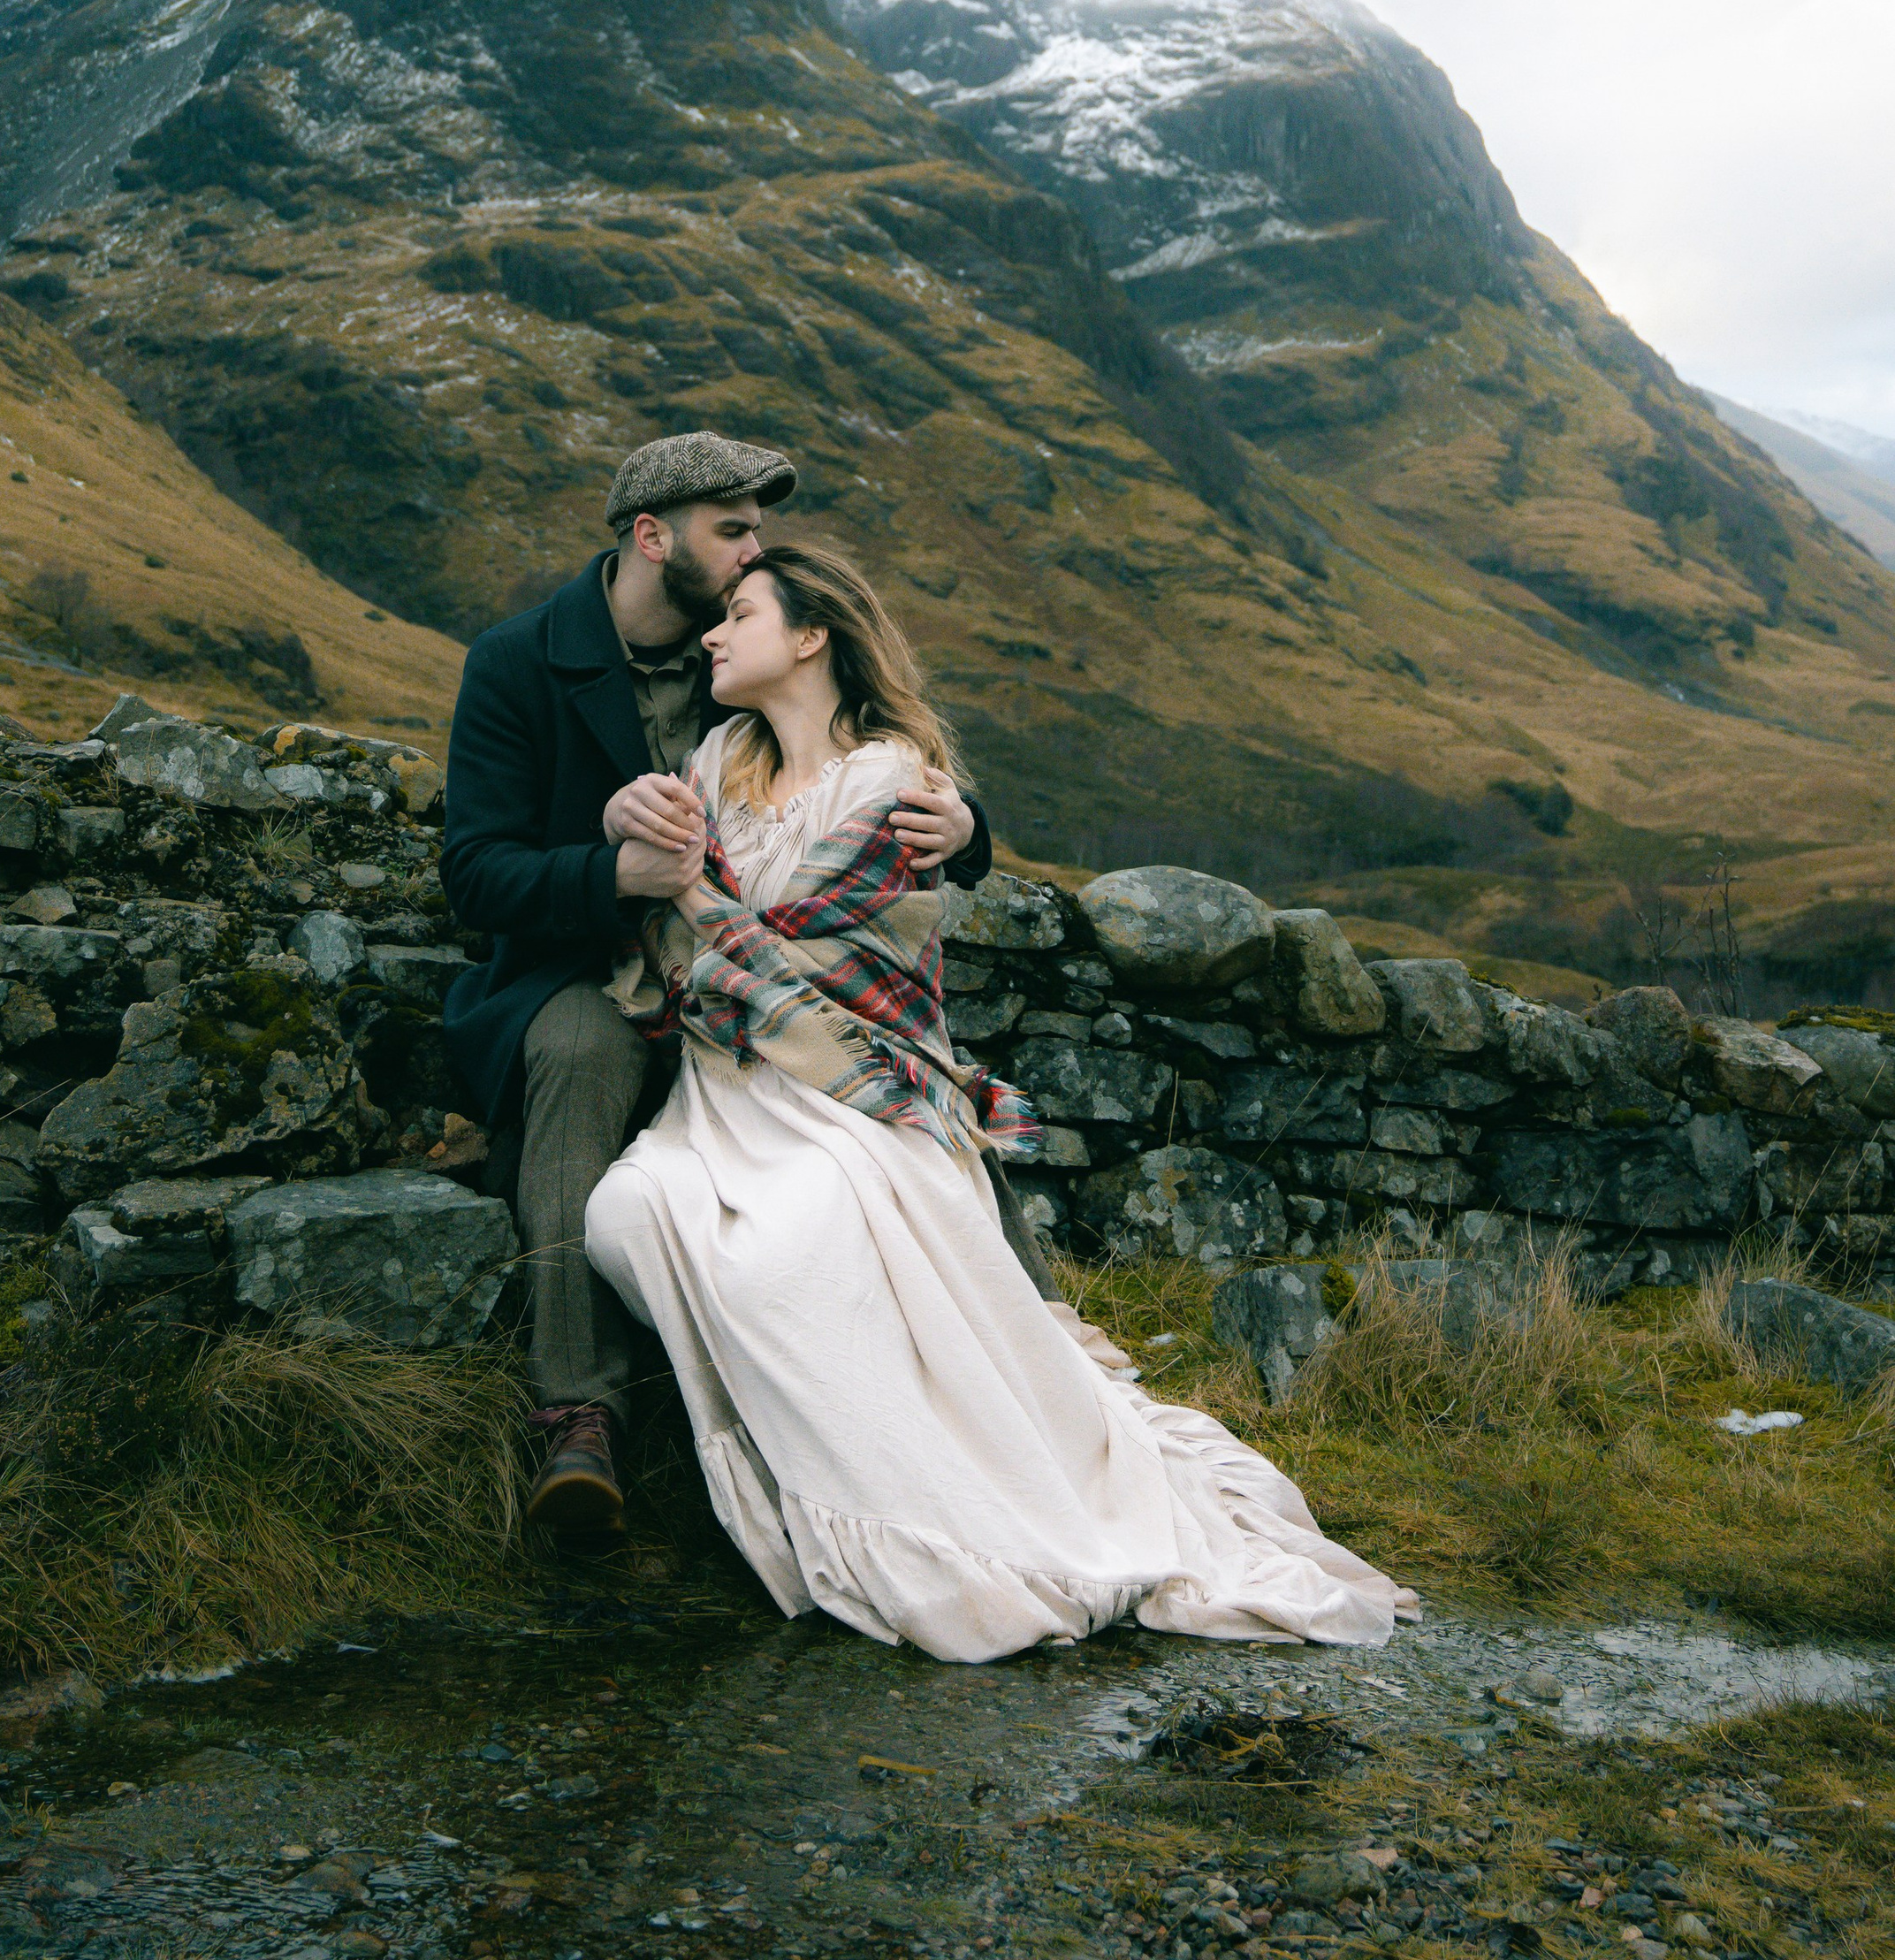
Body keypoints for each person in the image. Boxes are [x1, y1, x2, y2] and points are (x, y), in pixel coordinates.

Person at [583, 542, 1418, 1662]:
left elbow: (792, 959)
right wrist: (628, 834)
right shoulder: (717, 752)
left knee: (798, 1237)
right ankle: (793, 1478)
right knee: (625, 1215)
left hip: (852, 1087)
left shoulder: (890, 780)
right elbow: (682, 909)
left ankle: (929, 1511)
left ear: (813, 633)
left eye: (739, 614)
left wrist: (690, 891)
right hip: (726, 1085)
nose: (713, 635)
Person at [440, 431, 994, 1543]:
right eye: (733, 529)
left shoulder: (742, 652)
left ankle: (985, 1354)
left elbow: (861, 752)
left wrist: (972, 833)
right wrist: (609, 875)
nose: (755, 551)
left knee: (891, 1095)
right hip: (580, 970)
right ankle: (578, 1416)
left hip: (747, 984)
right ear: (654, 536)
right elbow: (474, 872)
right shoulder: (515, 661)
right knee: (582, 1055)